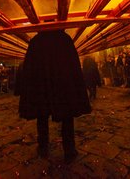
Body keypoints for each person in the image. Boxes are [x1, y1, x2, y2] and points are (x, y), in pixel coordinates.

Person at [16, 29, 91, 164]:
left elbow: (29, 68)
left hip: (41, 85)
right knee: (67, 117)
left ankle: (43, 147)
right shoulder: (64, 39)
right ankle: (69, 150)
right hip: (63, 84)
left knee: (42, 115)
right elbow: (73, 65)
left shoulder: (36, 42)